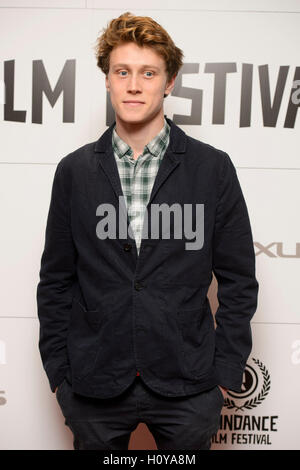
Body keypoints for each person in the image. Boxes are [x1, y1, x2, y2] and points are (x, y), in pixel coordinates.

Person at [36, 12, 259, 450]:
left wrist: (224, 375)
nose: (134, 85)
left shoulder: (212, 168)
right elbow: (56, 281)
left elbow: (239, 280)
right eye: (123, 72)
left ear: (169, 81)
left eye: (148, 73)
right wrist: (60, 372)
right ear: (107, 80)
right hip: (93, 384)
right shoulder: (74, 171)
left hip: (189, 386)